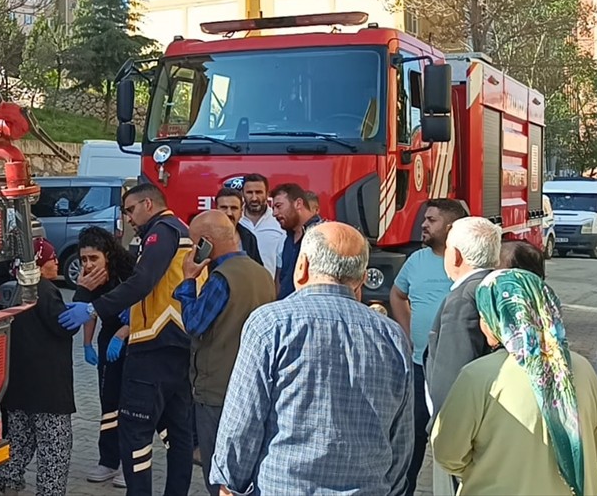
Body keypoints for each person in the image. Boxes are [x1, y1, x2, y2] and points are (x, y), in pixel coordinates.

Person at [210, 222, 414, 496]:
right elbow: (401, 436)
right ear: (361, 278)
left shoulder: (270, 324)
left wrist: (229, 483)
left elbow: (243, 420)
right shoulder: (392, 335)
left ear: (302, 266)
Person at [60, 183, 195, 496]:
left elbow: (143, 280)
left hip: (153, 347)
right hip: (176, 342)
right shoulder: (181, 230)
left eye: (131, 209)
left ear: (148, 203)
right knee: (179, 434)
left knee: (134, 433)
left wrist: (94, 307)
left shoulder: (161, 231)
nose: (129, 218)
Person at [431, 269, 597, 495]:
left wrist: (486, 467)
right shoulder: (582, 369)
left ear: (502, 316)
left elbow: (447, 453)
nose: (482, 321)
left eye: (484, 314)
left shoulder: (479, 376)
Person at [173, 211, 274, 496]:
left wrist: (188, 280)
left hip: (217, 389)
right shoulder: (261, 273)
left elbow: (193, 323)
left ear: (205, 243)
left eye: (195, 243)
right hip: (254, 388)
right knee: (248, 470)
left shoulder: (221, 279)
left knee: (218, 474)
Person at [389, 197, 468, 495]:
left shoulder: (467, 263)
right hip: (419, 367)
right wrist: (407, 331)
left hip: (459, 370)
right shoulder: (416, 261)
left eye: (431, 220)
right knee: (410, 441)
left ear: (450, 227)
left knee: (459, 441)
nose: (423, 224)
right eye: (425, 218)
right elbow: (397, 295)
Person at [0, 238, 79, 496]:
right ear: (39, 264)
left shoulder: (13, 289)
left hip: (17, 385)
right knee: (55, 448)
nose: (56, 262)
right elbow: (62, 326)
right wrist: (83, 300)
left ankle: (8, 484)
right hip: (48, 390)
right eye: (51, 258)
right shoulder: (45, 290)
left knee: (18, 440)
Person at [423, 216, 501, 495]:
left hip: (464, 441)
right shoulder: (494, 286)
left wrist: (442, 433)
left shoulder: (463, 299)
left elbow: (453, 377)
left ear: (455, 255)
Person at [72, 226, 136, 487]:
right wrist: (87, 344)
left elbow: (147, 303)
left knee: (130, 401)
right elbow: (90, 311)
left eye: (93, 258)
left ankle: (129, 463)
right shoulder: (90, 277)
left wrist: (124, 333)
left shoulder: (129, 269)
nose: (88, 264)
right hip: (108, 336)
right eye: (83, 259)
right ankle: (109, 460)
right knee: (108, 399)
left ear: (107, 254)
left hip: (135, 336)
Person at [272, 183, 323, 299]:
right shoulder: (288, 238)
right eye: (273, 208)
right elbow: (282, 278)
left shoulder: (322, 235)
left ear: (298, 204)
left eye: (278, 206)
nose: (274, 213)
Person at [238, 174, 285, 273]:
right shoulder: (235, 222)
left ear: (267, 194)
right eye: (249, 192)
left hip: (268, 286)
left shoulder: (278, 222)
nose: (254, 198)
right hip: (238, 287)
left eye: (259, 192)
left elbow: (281, 266)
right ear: (242, 194)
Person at [213, 187, 263, 266]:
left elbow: (258, 271)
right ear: (215, 209)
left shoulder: (249, 238)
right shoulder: (206, 238)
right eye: (224, 208)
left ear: (241, 212)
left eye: (234, 208)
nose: (229, 213)